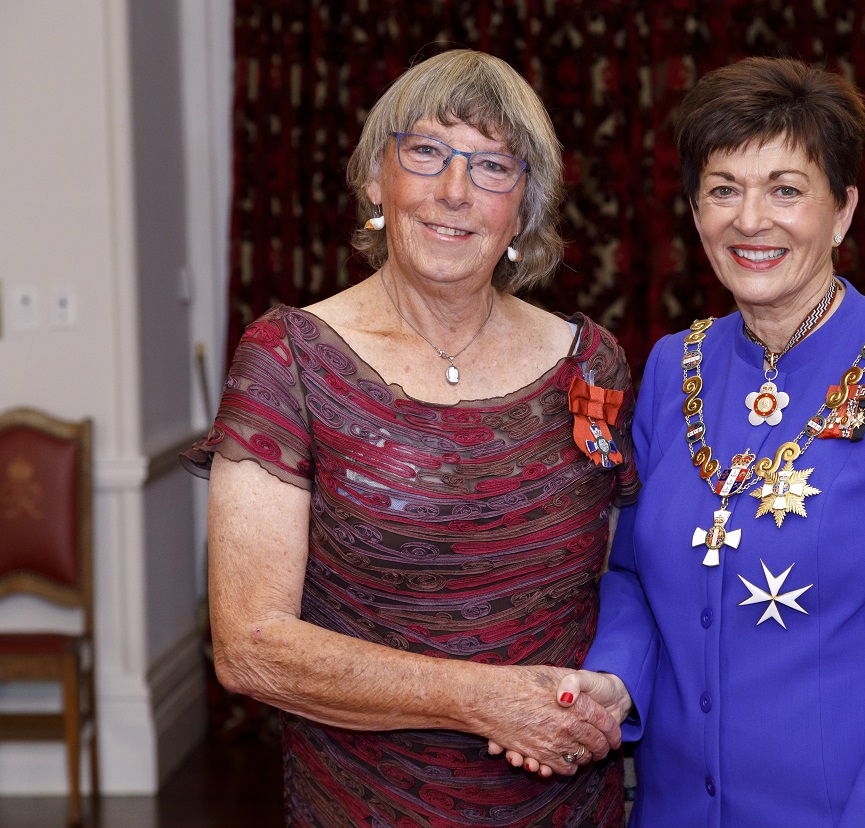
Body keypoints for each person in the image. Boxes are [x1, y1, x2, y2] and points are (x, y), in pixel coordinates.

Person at [505, 56, 865, 827]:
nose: (750, 220)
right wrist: (614, 679)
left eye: (785, 189)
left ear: (842, 210)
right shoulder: (677, 364)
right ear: (696, 211)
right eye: (723, 190)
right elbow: (634, 572)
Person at [182, 49, 636, 827]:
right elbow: (250, 647)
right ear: (374, 179)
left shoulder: (591, 362)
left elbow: (631, 573)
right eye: (426, 152)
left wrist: (614, 689)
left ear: (524, 205)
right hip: (365, 803)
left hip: (568, 801)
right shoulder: (288, 358)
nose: (454, 192)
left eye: (494, 165)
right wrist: (482, 701)